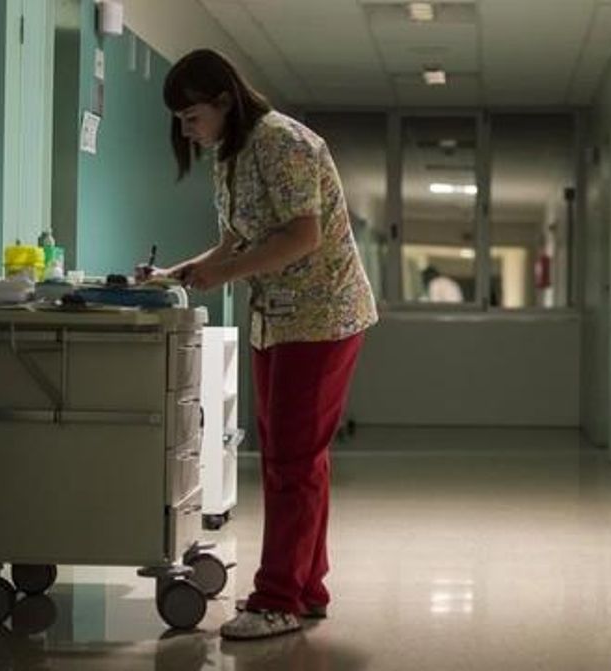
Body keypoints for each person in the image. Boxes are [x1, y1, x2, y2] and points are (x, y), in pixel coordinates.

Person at [142, 49, 378, 640]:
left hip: (321, 317)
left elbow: (304, 235)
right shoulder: (230, 155)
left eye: (192, 116)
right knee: (292, 459)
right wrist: (181, 272)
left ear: (224, 101)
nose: (186, 129)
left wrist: (222, 276)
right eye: (179, 120)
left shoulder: (282, 142)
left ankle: (275, 599)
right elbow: (236, 239)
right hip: (275, 318)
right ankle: (306, 587)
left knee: (292, 462)